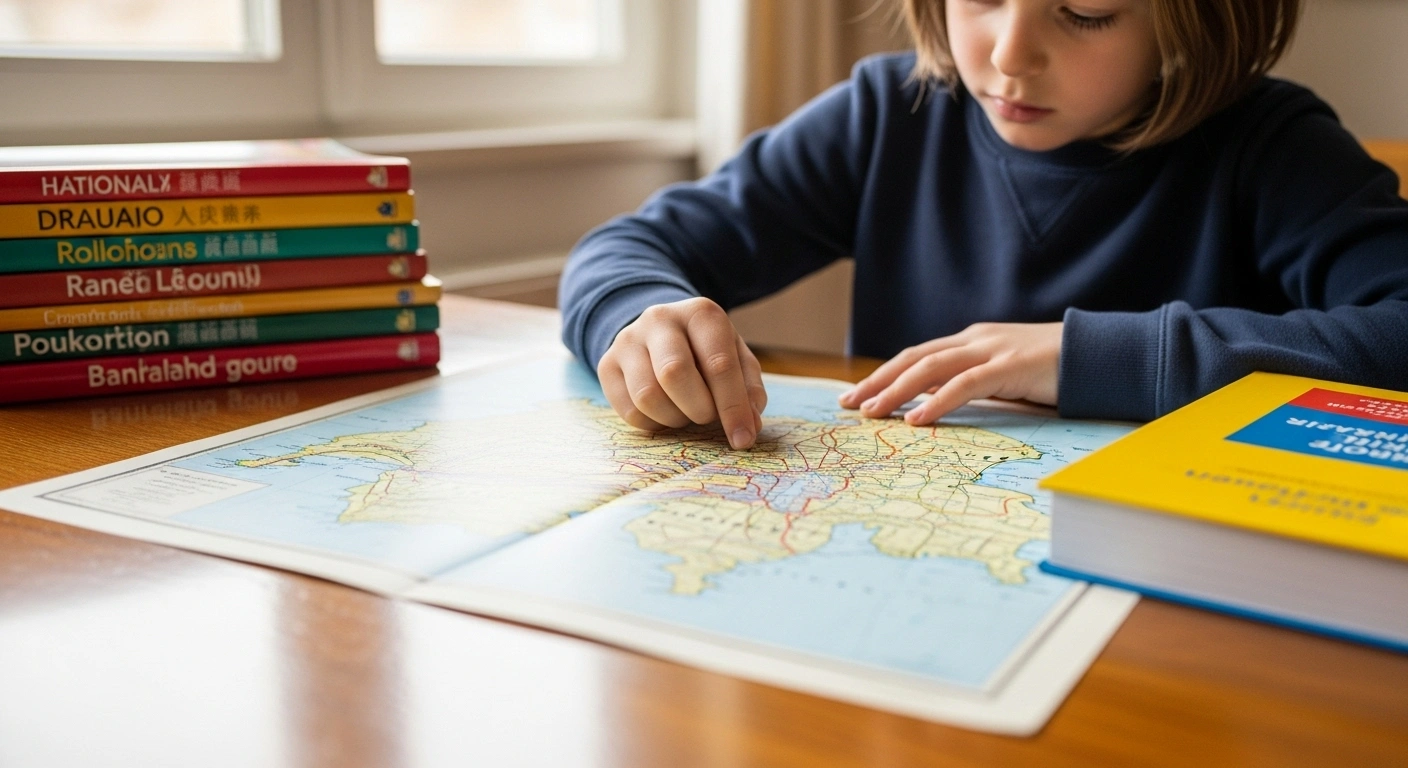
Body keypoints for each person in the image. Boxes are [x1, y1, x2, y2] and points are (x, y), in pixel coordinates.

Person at [559, 0, 1408, 450]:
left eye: (1085, 12)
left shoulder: (1275, 148)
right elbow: (627, 248)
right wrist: (639, 314)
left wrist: (1093, 357)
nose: (1008, 54)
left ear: (1195, 16)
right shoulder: (887, 114)